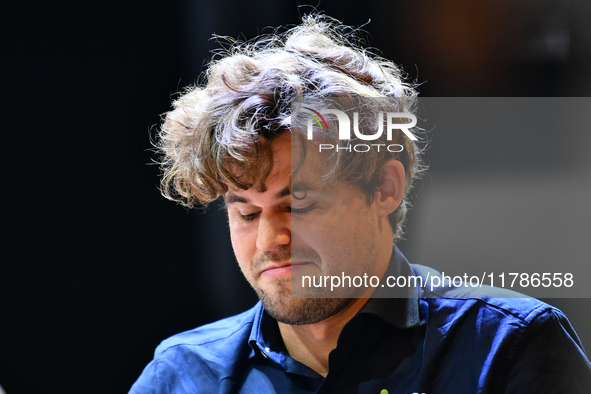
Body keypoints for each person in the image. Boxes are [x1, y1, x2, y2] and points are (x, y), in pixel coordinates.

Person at [130, 14, 591, 393]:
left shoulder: (509, 346)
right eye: (246, 212)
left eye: (300, 204)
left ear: (384, 189)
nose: (270, 239)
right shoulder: (181, 377)